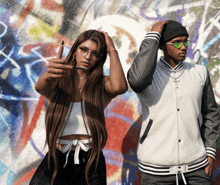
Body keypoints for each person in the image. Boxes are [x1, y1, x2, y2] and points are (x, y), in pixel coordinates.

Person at [127, 20, 220, 185]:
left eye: (185, 41)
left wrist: (211, 152)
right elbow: (137, 80)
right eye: (177, 42)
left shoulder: (200, 73)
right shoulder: (148, 76)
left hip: (197, 169)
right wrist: (153, 36)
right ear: (161, 45)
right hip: (155, 171)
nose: (183, 46)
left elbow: (211, 113)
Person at [30, 30, 128, 185]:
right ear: (75, 49)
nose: (88, 57)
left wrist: (111, 49)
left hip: (90, 162)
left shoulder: (101, 85)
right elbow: (40, 87)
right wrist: (49, 75)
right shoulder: (58, 79)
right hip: (57, 158)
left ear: (100, 58)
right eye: (84, 49)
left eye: (96, 53)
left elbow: (120, 87)